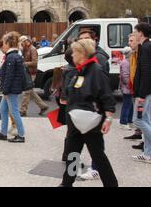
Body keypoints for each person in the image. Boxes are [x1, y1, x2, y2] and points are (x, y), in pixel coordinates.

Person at [59, 38, 118, 187]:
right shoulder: (79, 71)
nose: (71, 55)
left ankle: (111, 184)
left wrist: (108, 119)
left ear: (82, 53)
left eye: (74, 53)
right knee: (72, 155)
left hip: (90, 121)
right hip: (75, 121)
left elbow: (107, 96)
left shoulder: (96, 71)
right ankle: (67, 183)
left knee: (98, 156)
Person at [0, 31, 26, 143]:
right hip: (11, 88)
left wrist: (5, 91)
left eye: (4, 43)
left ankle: (21, 135)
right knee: (3, 109)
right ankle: (3, 133)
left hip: (10, 90)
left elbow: (9, 76)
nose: (3, 45)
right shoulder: (14, 55)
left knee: (14, 111)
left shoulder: (11, 57)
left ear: (9, 43)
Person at [131, 23, 151, 163]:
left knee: (137, 120)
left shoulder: (145, 48)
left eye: (135, 32)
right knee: (146, 120)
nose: (134, 35)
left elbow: (145, 72)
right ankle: (148, 154)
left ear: (141, 33)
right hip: (146, 91)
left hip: (144, 92)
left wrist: (141, 95)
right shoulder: (147, 47)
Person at [19, 36, 49, 116]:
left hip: (32, 73)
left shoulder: (33, 49)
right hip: (27, 72)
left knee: (27, 91)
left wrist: (24, 63)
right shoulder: (24, 49)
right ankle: (43, 106)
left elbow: (35, 62)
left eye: (22, 43)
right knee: (30, 92)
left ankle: (23, 110)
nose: (21, 45)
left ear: (26, 41)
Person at [124, 33, 144, 145]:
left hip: (141, 90)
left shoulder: (142, 54)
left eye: (131, 41)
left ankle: (146, 143)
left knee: (141, 116)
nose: (129, 43)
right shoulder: (133, 54)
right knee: (138, 115)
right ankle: (139, 133)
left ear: (138, 41)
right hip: (134, 88)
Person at [119, 46, 134, 130]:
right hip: (128, 87)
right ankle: (123, 122)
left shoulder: (128, 61)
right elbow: (125, 76)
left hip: (129, 87)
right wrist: (130, 86)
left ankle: (129, 120)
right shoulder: (125, 62)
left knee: (130, 103)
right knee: (127, 104)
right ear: (129, 54)